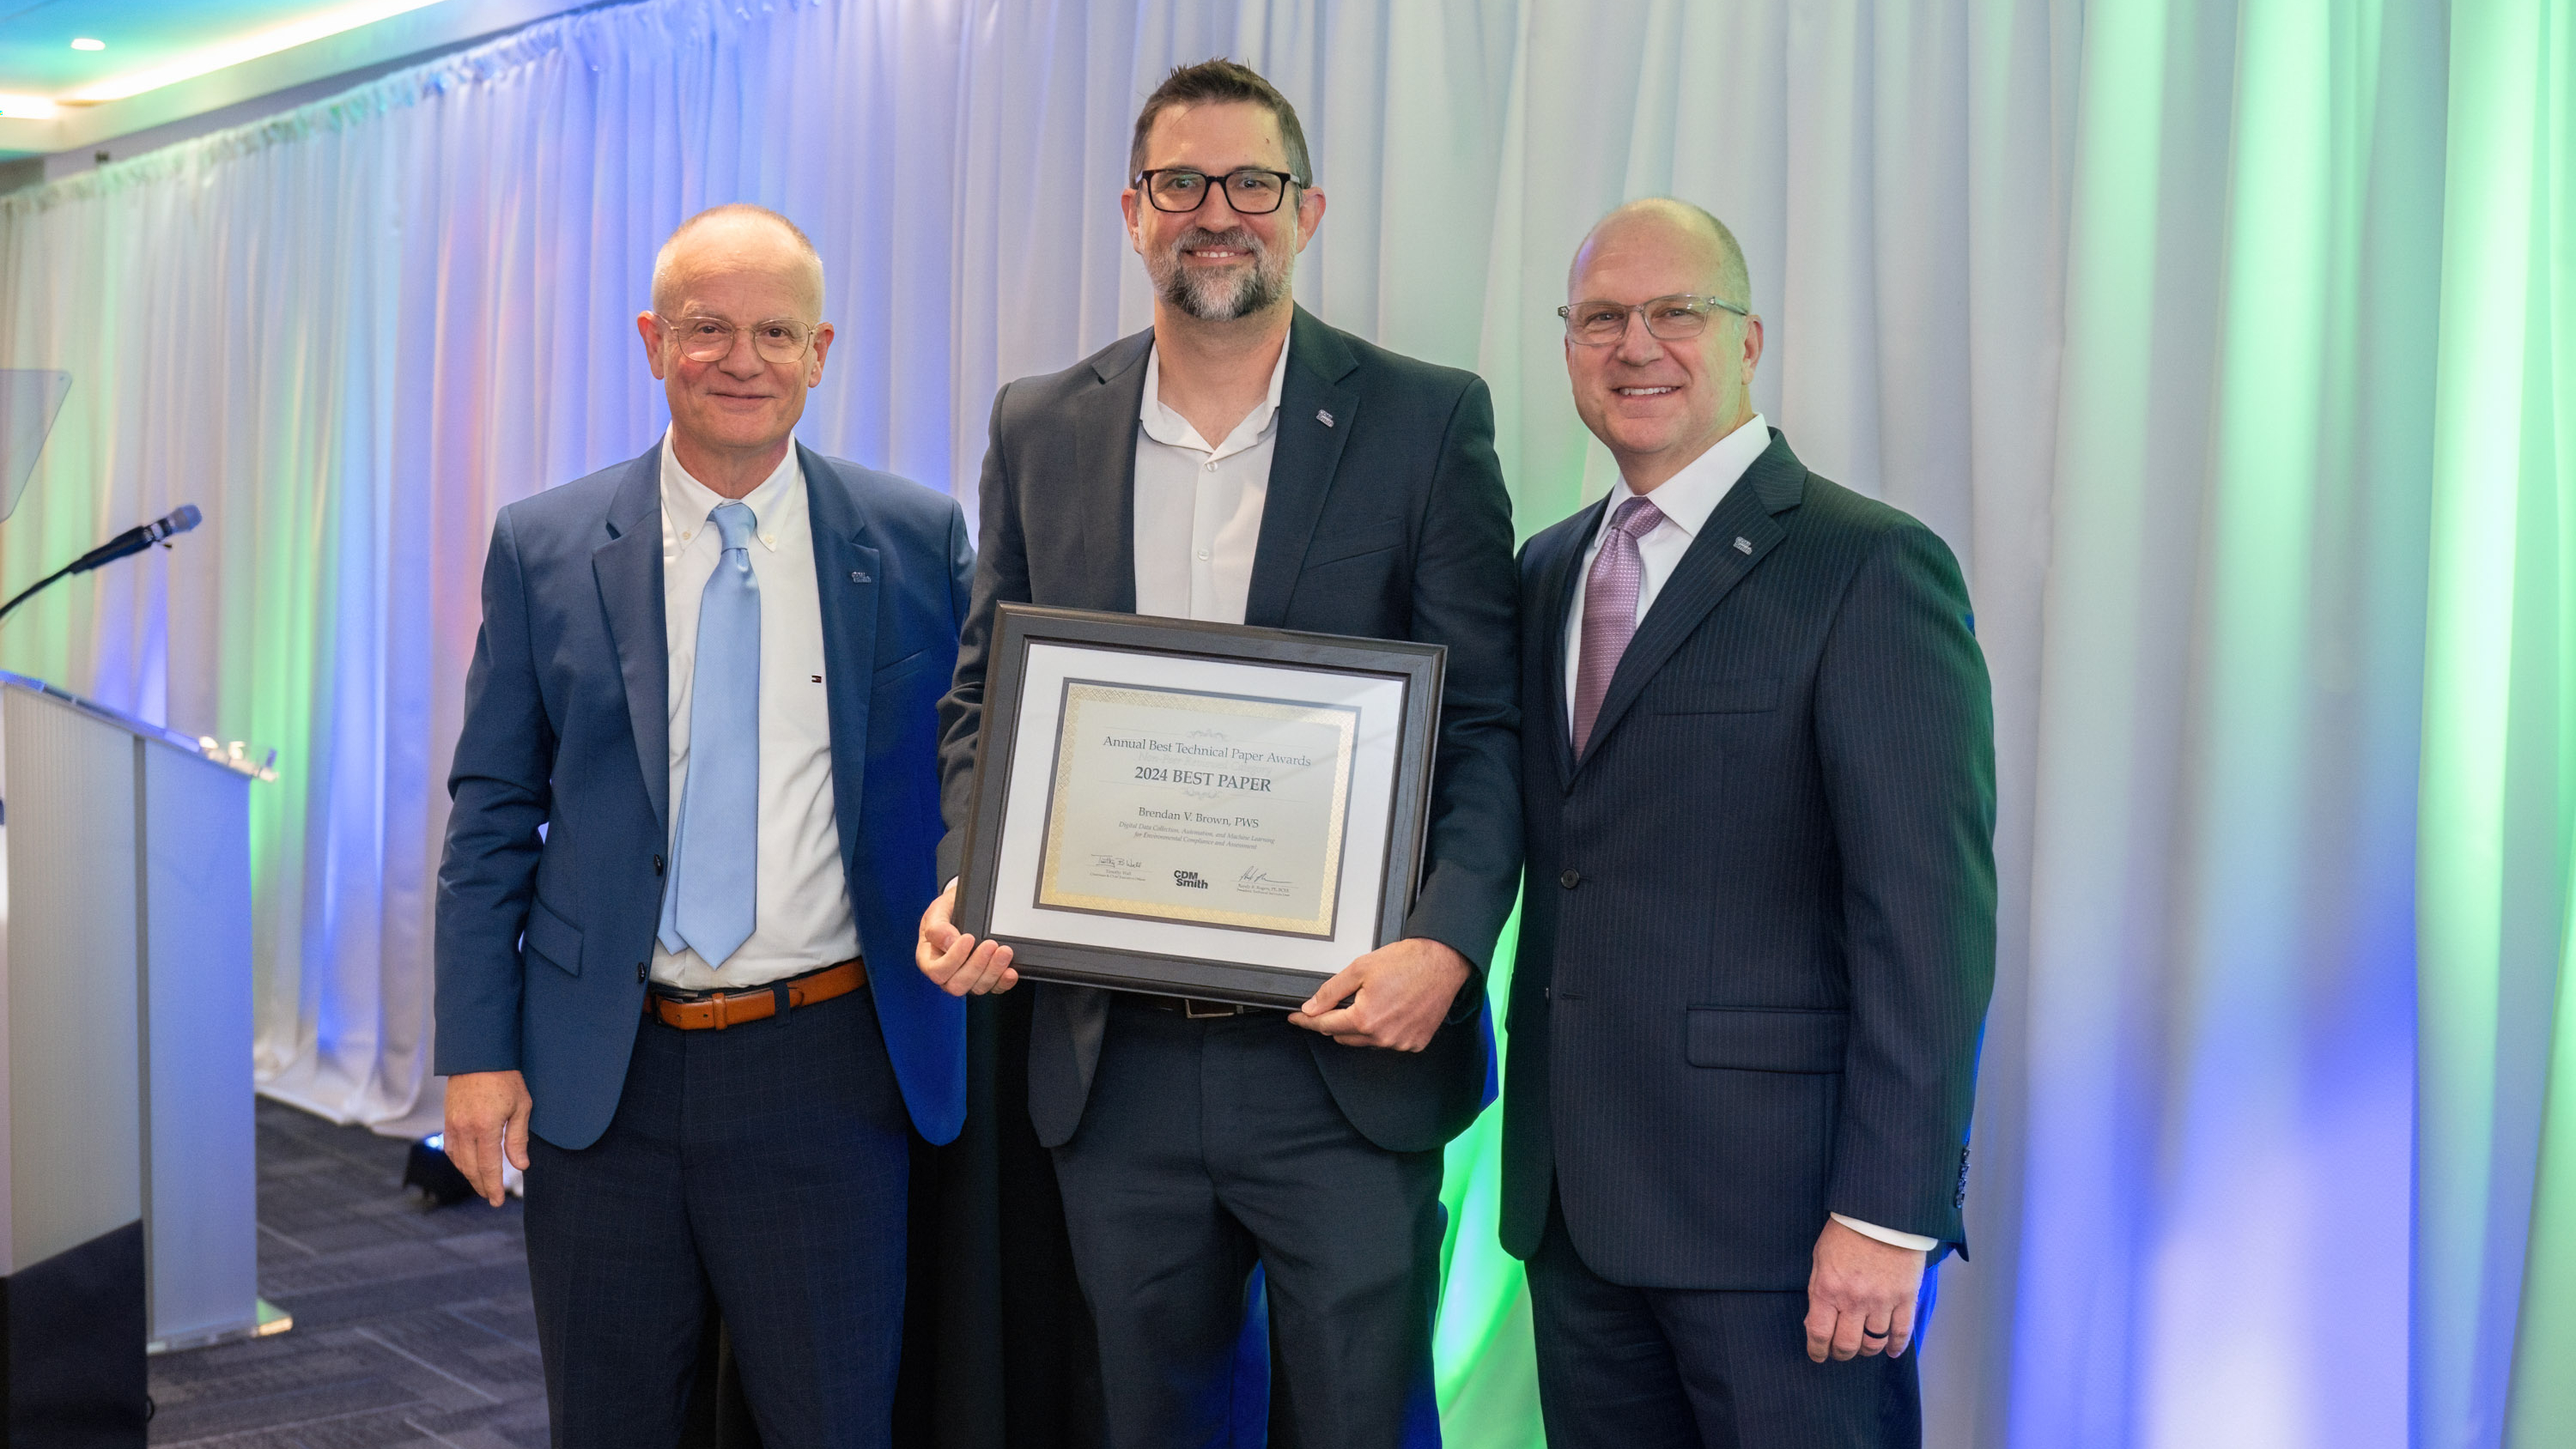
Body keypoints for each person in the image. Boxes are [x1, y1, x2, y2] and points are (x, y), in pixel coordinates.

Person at [913, 58, 1520, 1448]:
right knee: (1152, 1421)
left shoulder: (1426, 421)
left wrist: (1447, 945)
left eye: (1252, 183)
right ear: (1134, 212)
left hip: (1346, 1060)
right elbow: (981, 703)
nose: (1217, 213)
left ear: (1306, 209)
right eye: (1181, 184)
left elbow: (1479, 727)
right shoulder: (1040, 422)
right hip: (1109, 1057)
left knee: (1362, 1424)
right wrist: (975, 877)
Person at [434, 203, 973, 1449]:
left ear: (821, 350)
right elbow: (494, 810)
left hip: (827, 1068)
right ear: (651, 339)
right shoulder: (548, 545)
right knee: (613, 1423)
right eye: (707, 328)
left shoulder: (912, 539)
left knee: (832, 1423)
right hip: (600, 1073)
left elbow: (964, 770)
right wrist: (476, 1048)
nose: (742, 358)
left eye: (775, 330)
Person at [1499, 197, 1996, 1448]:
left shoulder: (1867, 566)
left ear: (1750, 340)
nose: (1637, 346)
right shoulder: (1546, 570)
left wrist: (1888, 1215)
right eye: (1601, 318)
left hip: (1787, 1232)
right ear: (1567, 347)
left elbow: (1926, 921)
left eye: (1678, 313)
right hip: (1575, 1217)